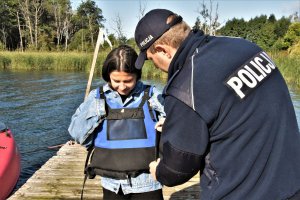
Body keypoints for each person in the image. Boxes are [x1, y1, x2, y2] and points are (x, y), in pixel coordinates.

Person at [134, 8, 300, 200]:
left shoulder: (185, 87)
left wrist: (159, 171)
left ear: (163, 50)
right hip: (292, 183)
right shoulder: (246, 47)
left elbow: (176, 170)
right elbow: (238, 112)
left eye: (150, 58)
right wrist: (180, 124)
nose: (154, 65)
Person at [68, 45, 165, 200]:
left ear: (137, 75)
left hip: (148, 182)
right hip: (111, 183)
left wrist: (166, 121)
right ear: (108, 76)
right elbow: (77, 133)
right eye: (116, 80)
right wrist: (99, 109)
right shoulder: (97, 97)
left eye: (128, 81)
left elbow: (178, 125)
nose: (122, 86)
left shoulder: (152, 95)